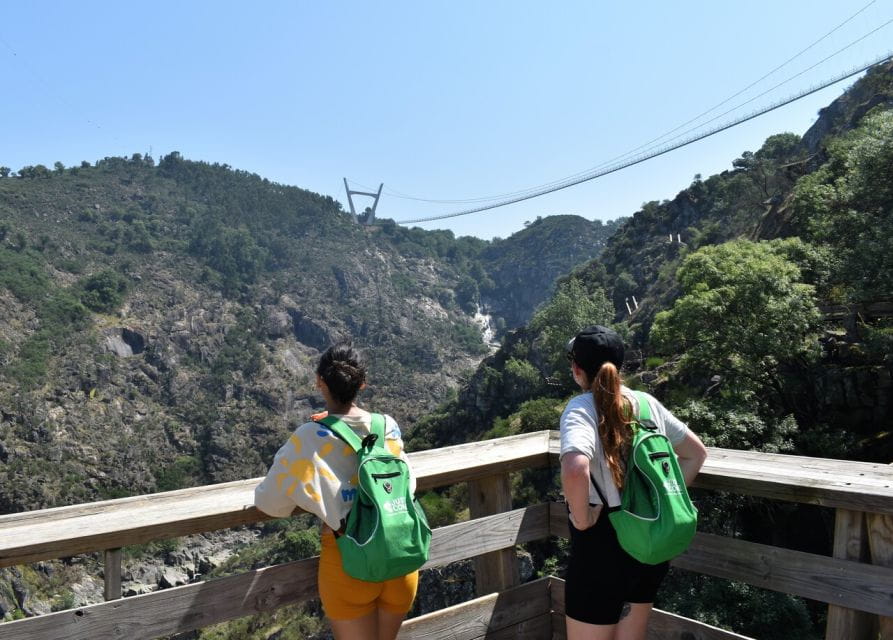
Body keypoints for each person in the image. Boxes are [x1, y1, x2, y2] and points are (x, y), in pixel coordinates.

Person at [254, 342, 418, 640]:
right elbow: (409, 484)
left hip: (348, 563)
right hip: (400, 556)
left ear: (320, 383)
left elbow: (270, 504)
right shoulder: (388, 427)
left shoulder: (309, 437)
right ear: (362, 384)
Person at [559, 325, 707, 640]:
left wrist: (583, 519)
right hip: (649, 538)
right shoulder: (646, 403)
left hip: (602, 547)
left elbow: (575, 468)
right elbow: (696, 454)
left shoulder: (581, 409)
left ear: (577, 369)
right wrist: (666, 498)